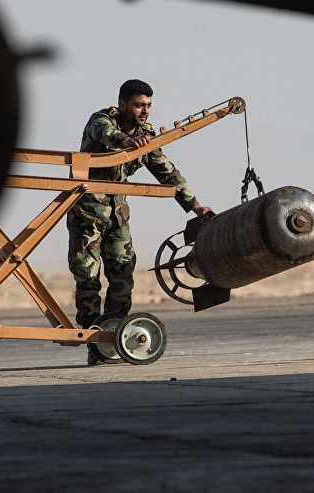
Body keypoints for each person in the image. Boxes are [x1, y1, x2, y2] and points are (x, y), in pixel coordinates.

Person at [67, 79, 213, 365]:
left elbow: (167, 172)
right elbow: (107, 134)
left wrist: (195, 207)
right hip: (88, 217)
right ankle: (93, 340)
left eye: (148, 105)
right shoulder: (101, 121)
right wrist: (126, 141)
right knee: (88, 279)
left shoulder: (145, 136)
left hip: (117, 217)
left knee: (122, 277)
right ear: (122, 104)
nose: (144, 111)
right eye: (138, 105)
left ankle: (114, 337)